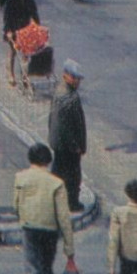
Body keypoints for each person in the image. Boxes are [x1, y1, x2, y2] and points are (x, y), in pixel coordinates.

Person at [13, 142, 76, 274]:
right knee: (47, 268)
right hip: (50, 230)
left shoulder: (20, 178)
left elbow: (15, 204)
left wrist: (24, 217)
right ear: (48, 161)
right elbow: (64, 216)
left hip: (30, 228)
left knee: (33, 270)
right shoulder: (56, 183)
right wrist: (69, 246)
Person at [48, 60, 87, 212]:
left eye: (78, 78)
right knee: (72, 176)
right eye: (74, 77)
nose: (77, 81)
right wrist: (76, 146)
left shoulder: (60, 93)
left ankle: (55, 201)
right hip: (68, 146)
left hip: (59, 143)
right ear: (65, 76)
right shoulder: (69, 98)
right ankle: (72, 203)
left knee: (58, 172)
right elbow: (67, 127)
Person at [2, 0, 41, 87]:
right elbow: (7, 17)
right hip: (14, 28)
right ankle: (11, 74)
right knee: (13, 51)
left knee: (25, 53)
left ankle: (24, 76)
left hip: (25, 28)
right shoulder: (11, 0)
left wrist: (37, 26)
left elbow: (34, 14)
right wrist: (8, 30)